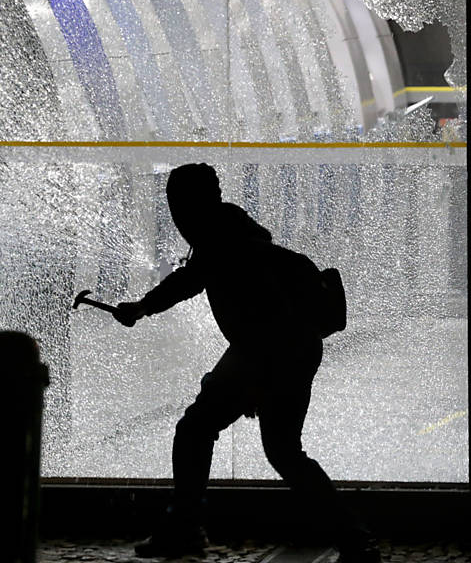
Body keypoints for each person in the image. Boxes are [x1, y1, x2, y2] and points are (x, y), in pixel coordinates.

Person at [112, 163, 379, 562]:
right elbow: (196, 280)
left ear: (189, 203)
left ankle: (184, 528)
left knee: (195, 430)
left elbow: (192, 283)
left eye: (176, 203)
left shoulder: (219, 238)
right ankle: (354, 538)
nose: (175, 214)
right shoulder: (233, 232)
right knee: (284, 451)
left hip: (265, 350)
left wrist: (142, 308)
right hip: (291, 348)